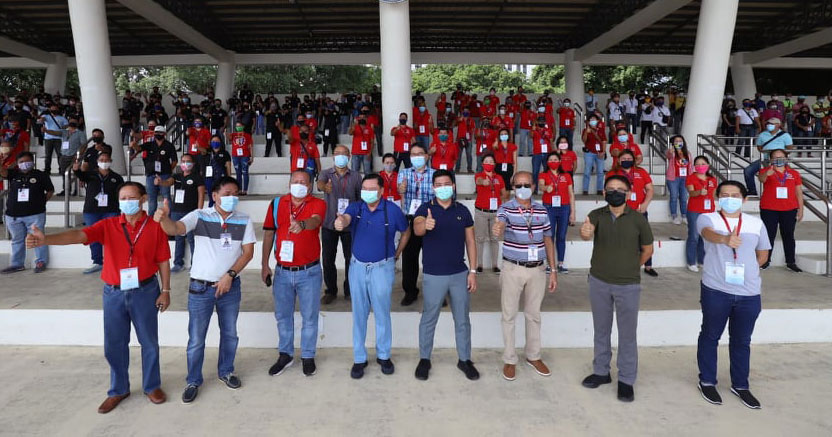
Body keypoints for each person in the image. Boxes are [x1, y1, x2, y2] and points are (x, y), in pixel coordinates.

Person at [26, 181, 171, 413]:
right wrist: (47, 240)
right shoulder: (109, 225)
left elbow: (163, 259)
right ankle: (119, 389)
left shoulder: (155, 227)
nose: (127, 202)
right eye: (122, 198)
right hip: (113, 292)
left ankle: (152, 386)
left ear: (143, 199)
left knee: (149, 343)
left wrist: (166, 290)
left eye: (131, 198)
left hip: (145, 291)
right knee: (114, 344)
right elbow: (78, 234)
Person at [154, 176, 255, 403]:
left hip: (230, 288)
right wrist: (164, 219)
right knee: (197, 338)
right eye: (227, 193)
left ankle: (226, 371)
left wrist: (229, 276)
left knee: (230, 334)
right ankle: (193, 380)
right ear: (215, 196)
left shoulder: (244, 219)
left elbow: (248, 253)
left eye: (235, 193)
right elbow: (177, 229)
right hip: (200, 288)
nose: (232, 197)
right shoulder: (199, 216)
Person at [696, 180, 771, 409]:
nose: (730, 198)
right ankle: (707, 381)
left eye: (735, 195)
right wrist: (724, 239)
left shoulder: (755, 223)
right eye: (725, 194)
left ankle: (741, 385)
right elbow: (707, 234)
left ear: (744, 199)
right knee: (710, 335)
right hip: (716, 290)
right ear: (718, 197)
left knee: (741, 340)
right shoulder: (708, 218)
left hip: (749, 293)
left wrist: (748, 269)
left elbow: (763, 255)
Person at [580, 175, 654, 402]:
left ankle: (626, 379)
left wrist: (631, 267)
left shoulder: (638, 219)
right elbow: (587, 232)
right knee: (601, 329)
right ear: (604, 193)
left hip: (628, 285)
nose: (615, 192)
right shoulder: (597, 215)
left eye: (620, 189)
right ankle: (601, 371)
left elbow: (648, 250)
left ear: (629, 193)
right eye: (610, 189)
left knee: (627, 334)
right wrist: (585, 233)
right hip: (599, 281)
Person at [334, 174, 410, 379]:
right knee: (359, 314)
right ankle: (359, 358)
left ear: (382, 191)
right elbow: (345, 218)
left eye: (371, 188)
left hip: (382, 268)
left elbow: (406, 231)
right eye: (364, 188)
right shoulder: (356, 208)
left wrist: (397, 253)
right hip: (357, 267)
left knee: (382, 313)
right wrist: (340, 221)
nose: (367, 192)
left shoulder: (392, 210)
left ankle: (384, 355)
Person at [412, 170, 479, 381]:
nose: (442, 187)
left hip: (459, 273)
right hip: (434, 275)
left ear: (453, 186)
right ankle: (424, 359)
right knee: (429, 318)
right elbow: (417, 229)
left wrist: (473, 271)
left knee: (462, 320)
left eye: (446, 183)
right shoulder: (425, 208)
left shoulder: (463, 211)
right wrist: (425, 225)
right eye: (438, 184)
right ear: (433, 188)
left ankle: (465, 359)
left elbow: (471, 241)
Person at [492, 171, 558, 381]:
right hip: (513, 268)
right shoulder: (506, 209)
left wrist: (553, 270)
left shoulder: (541, 209)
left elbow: (548, 239)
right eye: (518, 185)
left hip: (538, 269)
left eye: (526, 184)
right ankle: (510, 360)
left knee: (533, 315)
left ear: (533, 186)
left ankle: (533, 355)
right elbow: (499, 226)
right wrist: (498, 228)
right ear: (512, 187)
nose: (522, 188)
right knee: (509, 315)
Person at [263, 170, 327, 377]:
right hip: (282, 272)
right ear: (289, 183)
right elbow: (268, 233)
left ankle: (308, 355)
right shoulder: (277, 204)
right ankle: (285, 354)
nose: (299, 184)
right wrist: (265, 264)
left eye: (303, 182)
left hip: (309, 271)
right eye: (295, 181)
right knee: (283, 316)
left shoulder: (318, 204)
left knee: (310, 316)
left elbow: (316, 221)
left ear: (309, 186)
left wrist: (301, 224)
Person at [317, 145, 362, 304]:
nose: (340, 156)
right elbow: (320, 184)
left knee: (351, 259)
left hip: (349, 225)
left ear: (349, 156)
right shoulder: (325, 173)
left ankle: (350, 290)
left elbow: (359, 200)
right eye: (337, 154)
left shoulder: (356, 176)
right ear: (333, 157)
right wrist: (325, 187)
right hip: (329, 223)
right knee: (328, 259)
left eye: (344, 154)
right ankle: (331, 290)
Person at [1, 151, 53, 274]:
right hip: (13, 215)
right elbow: (3, 172)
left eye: (27, 161)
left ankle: (41, 261)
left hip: (35, 214)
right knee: (17, 240)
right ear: (17, 164)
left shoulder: (40, 175)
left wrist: (42, 202)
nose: (25, 164)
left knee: (38, 238)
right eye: (21, 162)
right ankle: (17, 264)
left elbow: (50, 191)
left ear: (33, 162)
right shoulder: (13, 174)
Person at [607, 150, 658, 277]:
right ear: (618, 160)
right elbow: (608, 191)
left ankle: (647, 266)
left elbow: (650, 189)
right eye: (623, 158)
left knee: (644, 239)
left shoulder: (641, 172)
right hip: (620, 211)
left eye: (629, 158)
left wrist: (645, 204)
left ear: (634, 159)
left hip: (640, 210)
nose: (626, 160)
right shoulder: (613, 173)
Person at [397, 144, 436, 306]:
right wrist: (401, 189)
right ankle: (410, 291)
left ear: (427, 156)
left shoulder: (435, 174)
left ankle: (436, 293)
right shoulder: (404, 173)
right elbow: (400, 191)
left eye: (421, 153)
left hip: (431, 219)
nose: (417, 156)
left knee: (434, 258)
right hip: (411, 220)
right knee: (409, 258)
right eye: (413, 154)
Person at [75, 151, 124, 274]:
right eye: (101, 160)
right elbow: (81, 175)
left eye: (106, 160)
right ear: (97, 162)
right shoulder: (90, 175)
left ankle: (113, 261)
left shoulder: (116, 177)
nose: (104, 162)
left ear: (111, 162)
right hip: (92, 210)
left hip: (111, 210)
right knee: (93, 236)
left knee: (112, 236)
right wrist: (76, 170)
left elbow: (122, 193)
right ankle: (97, 261)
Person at [157, 153, 205, 273]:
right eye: (183, 161)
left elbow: (201, 195)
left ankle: (196, 264)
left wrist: (199, 211)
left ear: (193, 164)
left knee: (192, 239)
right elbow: (168, 182)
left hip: (191, 212)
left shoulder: (197, 178)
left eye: (188, 161)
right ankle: (178, 263)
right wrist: (161, 182)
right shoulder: (177, 176)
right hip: (176, 210)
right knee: (178, 238)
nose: (185, 163)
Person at [757, 149, 804, 272]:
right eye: (775, 157)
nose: (779, 159)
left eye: (781, 157)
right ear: (771, 159)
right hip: (769, 208)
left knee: (788, 235)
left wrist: (801, 209)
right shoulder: (766, 171)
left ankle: (790, 262)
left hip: (789, 208)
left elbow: (798, 192)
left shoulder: (794, 173)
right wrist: (767, 173)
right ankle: (765, 261)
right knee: (768, 235)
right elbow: (761, 179)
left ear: (786, 158)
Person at [538, 152, 576, 273]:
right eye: (551, 159)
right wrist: (546, 188)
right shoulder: (543, 175)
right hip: (549, 207)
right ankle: (550, 264)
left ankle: (560, 263)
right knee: (549, 236)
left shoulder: (567, 176)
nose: (553, 161)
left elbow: (571, 194)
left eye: (555, 159)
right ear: (547, 162)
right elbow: (541, 186)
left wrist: (572, 212)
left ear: (560, 161)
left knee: (561, 235)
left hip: (564, 207)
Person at [130, 125, 178, 215]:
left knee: (166, 196)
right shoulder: (149, 144)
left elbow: (175, 160)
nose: (158, 134)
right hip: (151, 174)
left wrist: (168, 170)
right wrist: (134, 145)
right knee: (151, 198)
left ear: (164, 134)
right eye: (156, 132)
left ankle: (169, 216)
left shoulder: (169, 146)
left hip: (164, 175)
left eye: (160, 133)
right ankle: (151, 218)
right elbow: (139, 148)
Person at [473, 154, 508, 273]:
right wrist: (484, 182)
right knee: (479, 238)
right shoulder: (479, 175)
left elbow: (504, 193)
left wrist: (501, 199)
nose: (489, 163)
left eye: (491, 161)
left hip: (495, 212)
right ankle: (479, 264)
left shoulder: (499, 177)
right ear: (482, 164)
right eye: (486, 161)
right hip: (481, 212)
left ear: (494, 164)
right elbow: (478, 181)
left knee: (495, 238)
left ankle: (495, 265)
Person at [743, 118, 793, 197]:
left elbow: (790, 148)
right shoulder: (762, 135)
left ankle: (789, 191)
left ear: (778, 125)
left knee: (788, 174)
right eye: (768, 123)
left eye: (772, 124)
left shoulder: (785, 135)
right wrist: (766, 152)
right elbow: (759, 147)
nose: (769, 125)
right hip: (765, 159)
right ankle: (752, 190)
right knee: (748, 170)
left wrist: (779, 153)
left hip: (780, 160)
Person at [684, 155, 717, 272]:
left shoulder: (712, 180)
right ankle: (691, 261)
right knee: (694, 236)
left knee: (705, 236)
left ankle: (702, 261)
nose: (700, 166)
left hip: (708, 211)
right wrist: (699, 192)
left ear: (708, 165)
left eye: (703, 164)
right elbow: (691, 193)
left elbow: (713, 196)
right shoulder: (690, 178)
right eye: (697, 164)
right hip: (694, 210)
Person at [665, 135, 693, 225]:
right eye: (676, 141)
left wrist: (691, 178)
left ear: (683, 142)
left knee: (684, 198)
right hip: (673, 178)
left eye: (680, 141)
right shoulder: (672, 153)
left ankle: (684, 216)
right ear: (673, 143)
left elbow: (690, 167)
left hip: (685, 178)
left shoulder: (687, 153)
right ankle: (674, 216)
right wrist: (670, 152)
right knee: (673, 197)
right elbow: (667, 156)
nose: (678, 143)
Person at [40, 102, 68, 174]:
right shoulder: (46, 116)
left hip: (58, 138)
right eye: (52, 109)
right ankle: (47, 170)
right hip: (48, 138)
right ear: (50, 110)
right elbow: (41, 119)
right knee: (48, 155)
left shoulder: (62, 118)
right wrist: (41, 120)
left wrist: (63, 127)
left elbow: (66, 126)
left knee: (60, 154)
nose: (54, 110)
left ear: (58, 109)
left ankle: (61, 169)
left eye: (55, 109)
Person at [582, 114, 607, 195]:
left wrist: (603, 151)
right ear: (588, 122)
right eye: (591, 119)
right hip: (589, 152)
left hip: (599, 152)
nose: (593, 121)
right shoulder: (585, 130)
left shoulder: (601, 130)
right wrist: (586, 132)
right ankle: (585, 190)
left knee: (600, 171)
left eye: (594, 119)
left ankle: (599, 189)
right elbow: (584, 140)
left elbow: (604, 141)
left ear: (597, 121)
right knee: (587, 171)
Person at [228, 122, 253, 196]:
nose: (238, 127)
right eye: (236, 126)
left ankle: (245, 190)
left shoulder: (247, 135)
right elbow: (228, 138)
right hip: (235, 156)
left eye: (239, 126)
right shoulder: (233, 135)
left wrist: (252, 157)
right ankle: (238, 190)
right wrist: (226, 133)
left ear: (243, 126)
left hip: (245, 155)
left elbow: (251, 146)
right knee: (238, 173)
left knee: (245, 172)